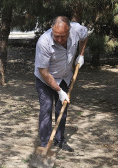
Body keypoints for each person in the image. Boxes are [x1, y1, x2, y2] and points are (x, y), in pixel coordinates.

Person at [34, 16, 88, 152]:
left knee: (62, 110)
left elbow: (85, 36)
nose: (58, 39)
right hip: (45, 79)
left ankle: (59, 139)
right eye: (56, 36)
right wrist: (59, 91)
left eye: (62, 36)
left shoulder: (77, 30)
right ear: (52, 29)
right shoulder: (44, 42)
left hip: (64, 76)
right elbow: (44, 72)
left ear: (69, 30)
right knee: (46, 109)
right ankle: (45, 144)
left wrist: (81, 54)